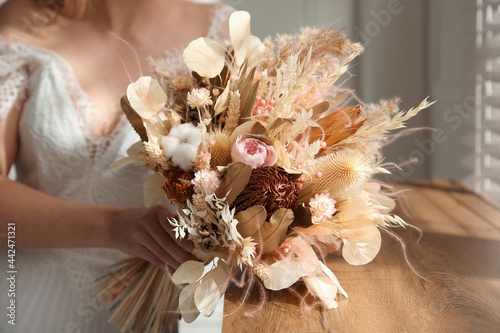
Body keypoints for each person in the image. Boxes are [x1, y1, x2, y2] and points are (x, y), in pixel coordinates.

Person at [0, 0, 233, 331]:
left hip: (145, 314)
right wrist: (112, 227)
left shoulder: (224, 38)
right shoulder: (26, 18)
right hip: (23, 304)